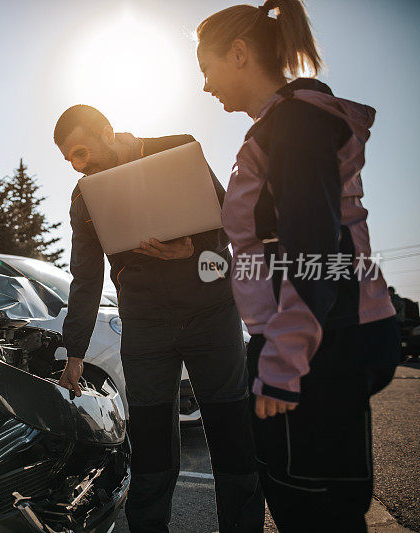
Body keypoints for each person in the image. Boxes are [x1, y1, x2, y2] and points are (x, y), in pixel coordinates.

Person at [195, 1, 400, 530]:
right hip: (320, 337)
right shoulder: (288, 121)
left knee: (310, 506)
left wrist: (283, 365)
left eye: (207, 69)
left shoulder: (294, 123)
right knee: (323, 501)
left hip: (315, 346)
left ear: (238, 54)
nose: (205, 87)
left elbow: (318, 246)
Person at [54, 105, 263, 532]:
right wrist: (74, 351)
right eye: (71, 160)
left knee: (232, 440)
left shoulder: (177, 151)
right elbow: (86, 277)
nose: (80, 165)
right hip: (145, 325)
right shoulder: (85, 199)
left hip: (210, 315)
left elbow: (230, 221)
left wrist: (194, 246)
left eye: (81, 151)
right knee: (150, 450)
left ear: (107, 132)